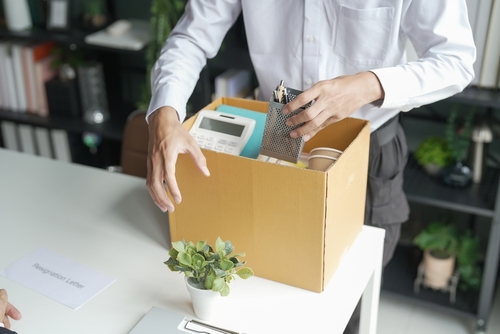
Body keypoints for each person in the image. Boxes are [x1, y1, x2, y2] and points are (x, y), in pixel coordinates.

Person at [145, 1, 475, 333]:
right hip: (275, 139)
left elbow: (456, 61)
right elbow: (191, 37)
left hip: (366, 149)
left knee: (344, 308)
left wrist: (366, 85)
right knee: (265, 287)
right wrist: (164, 113)